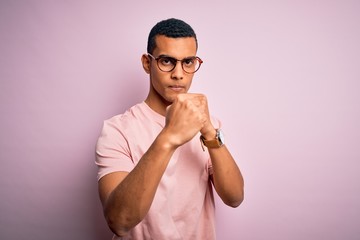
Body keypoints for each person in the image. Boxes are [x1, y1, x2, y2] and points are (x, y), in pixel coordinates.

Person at [95, 18, 244, 240]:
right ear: (147, 63)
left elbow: (235, 198)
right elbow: (119, 221)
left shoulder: (207, 126)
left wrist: (210, 132)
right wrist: (169, 137)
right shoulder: (118, 130)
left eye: (188, 62)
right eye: (167, 61)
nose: (178, 73)